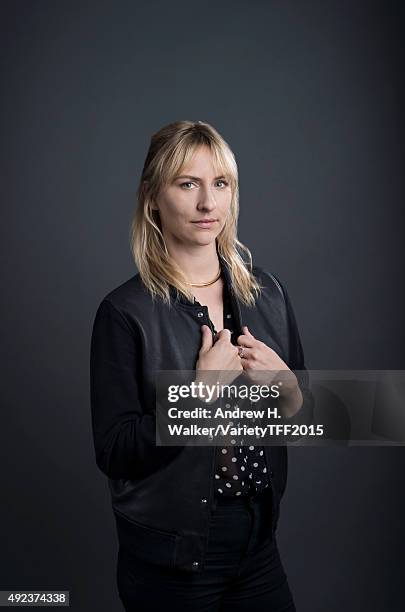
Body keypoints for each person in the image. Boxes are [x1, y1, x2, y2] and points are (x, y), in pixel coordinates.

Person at [90, 120, 314, 611]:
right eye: (187, 184)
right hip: (173, 557)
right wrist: (199, 396)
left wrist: (289, 388)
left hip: (258, 541)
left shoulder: (269, 294)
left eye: (220, 183)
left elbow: (309, 420)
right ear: (152, 197)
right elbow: (115, 451)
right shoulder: (124, 312)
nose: (208, 203)